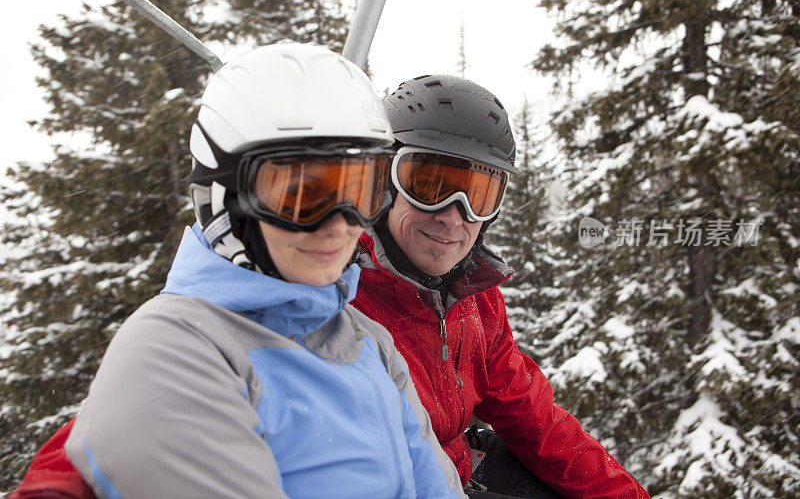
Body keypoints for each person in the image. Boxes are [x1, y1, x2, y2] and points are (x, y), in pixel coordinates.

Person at [9, 44, 465, 499]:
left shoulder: (368, 342)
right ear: (228, 197)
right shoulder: (176, 349)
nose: (339, 223)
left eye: (360, 190)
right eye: (300, 195)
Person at [350, 75, 650, 498]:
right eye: (429, 186)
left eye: (478, 195)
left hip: (459, 461)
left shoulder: (471, 297)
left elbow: (533, 417)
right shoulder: (342, 298)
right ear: (384, 180)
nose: (454, 217)